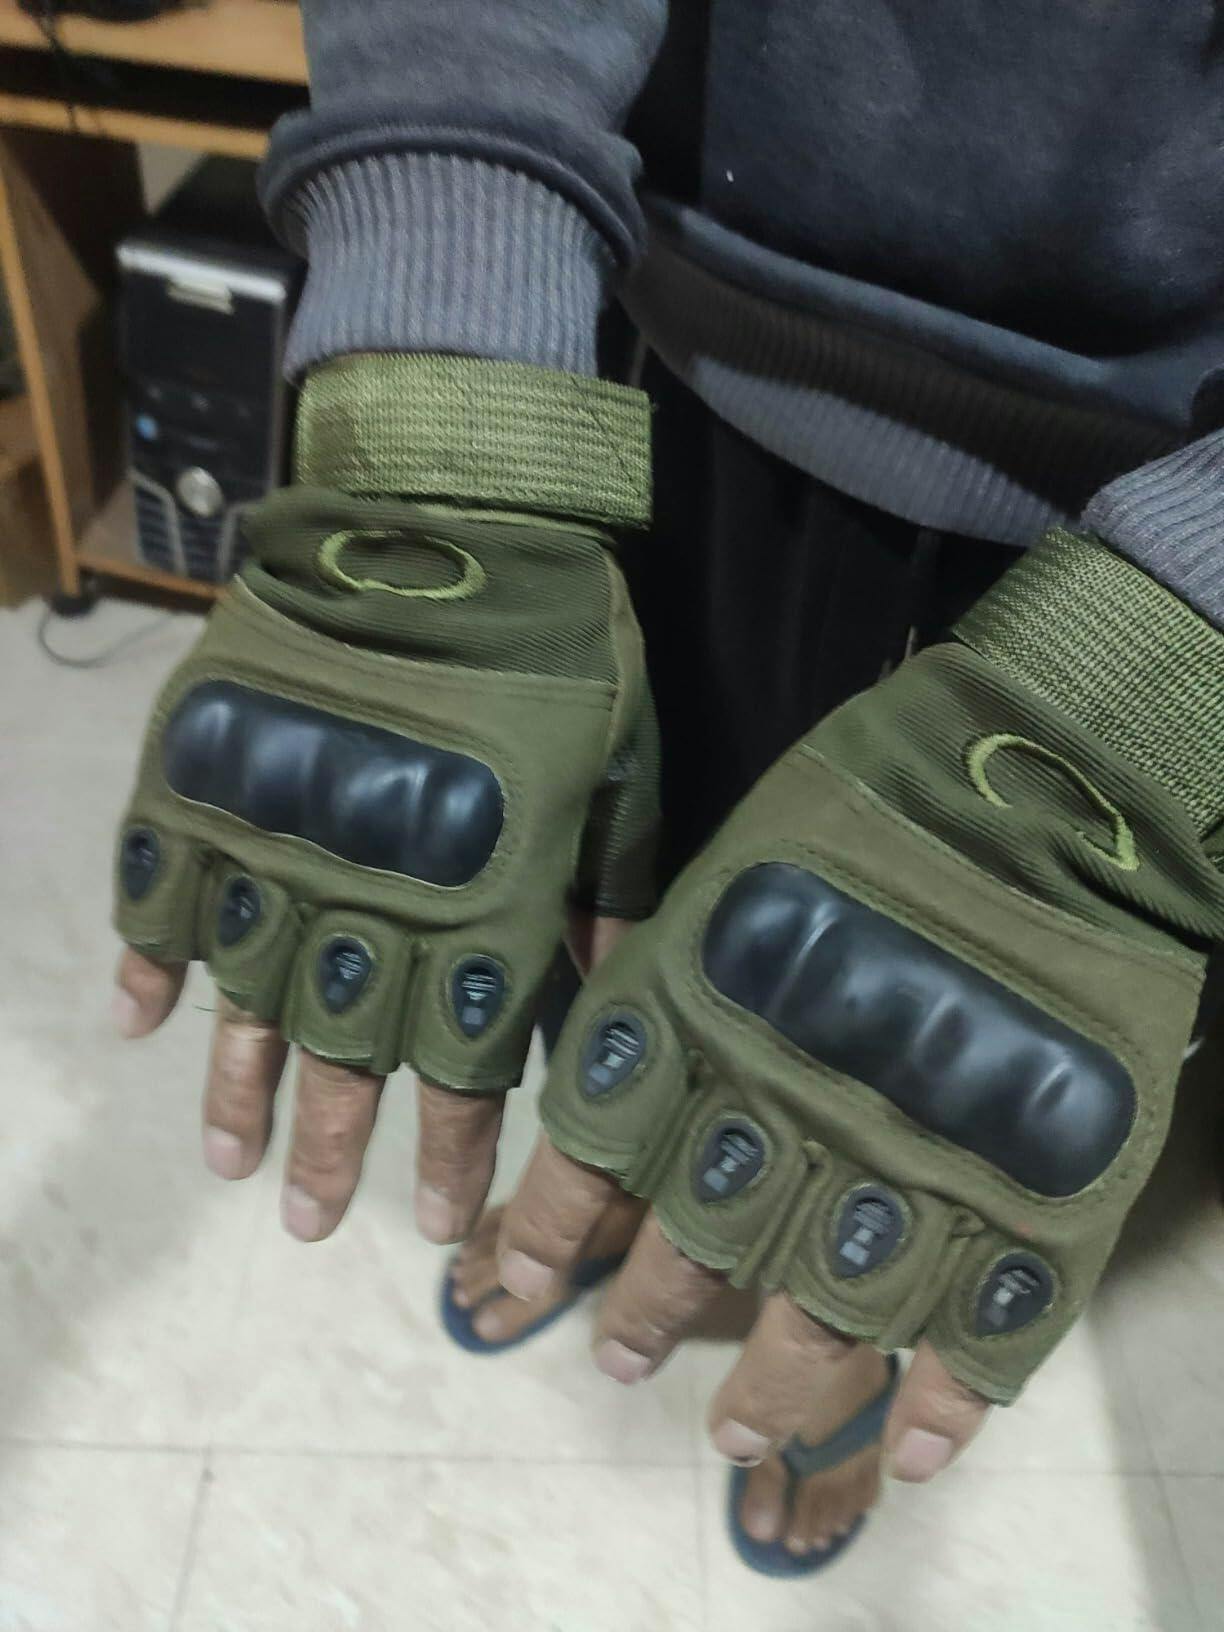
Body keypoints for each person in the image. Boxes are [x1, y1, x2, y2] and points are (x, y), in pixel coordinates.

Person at [111, 1, 1224, 1576]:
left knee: (931, 1085)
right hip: (681, 329)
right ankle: (638, 1175)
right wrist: (445, 369)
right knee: (616, 895)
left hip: (1141, 510)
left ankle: (839, 1352)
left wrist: (1183, 659)